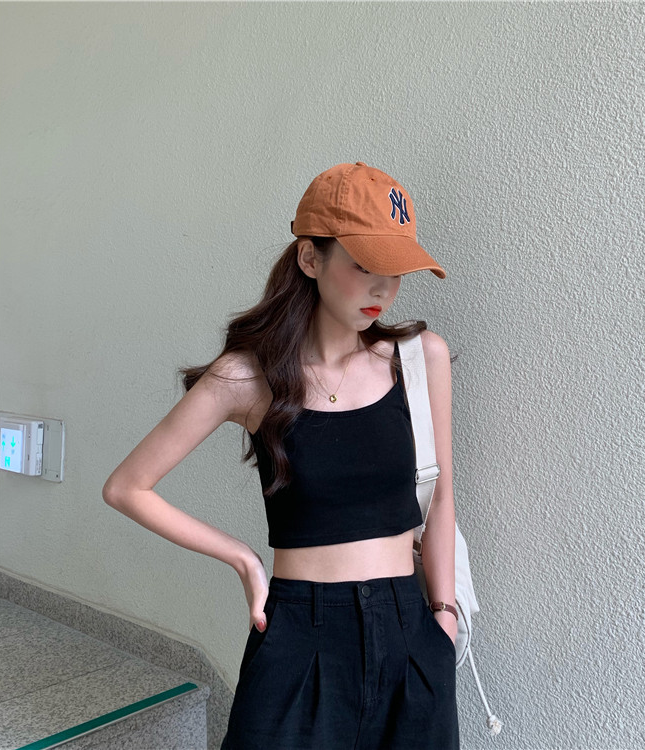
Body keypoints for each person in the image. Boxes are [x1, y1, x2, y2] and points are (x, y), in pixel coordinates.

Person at [102, 162, 460, 749]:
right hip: (300, 632)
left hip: (411, 632)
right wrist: (243, 559)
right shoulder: (246, 378)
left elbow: (441, 496)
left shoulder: (420, 359)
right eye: (363, 265)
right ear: (310, 258)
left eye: (395, 271)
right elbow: (127, 487)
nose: (383, 289)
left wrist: (443, 616)